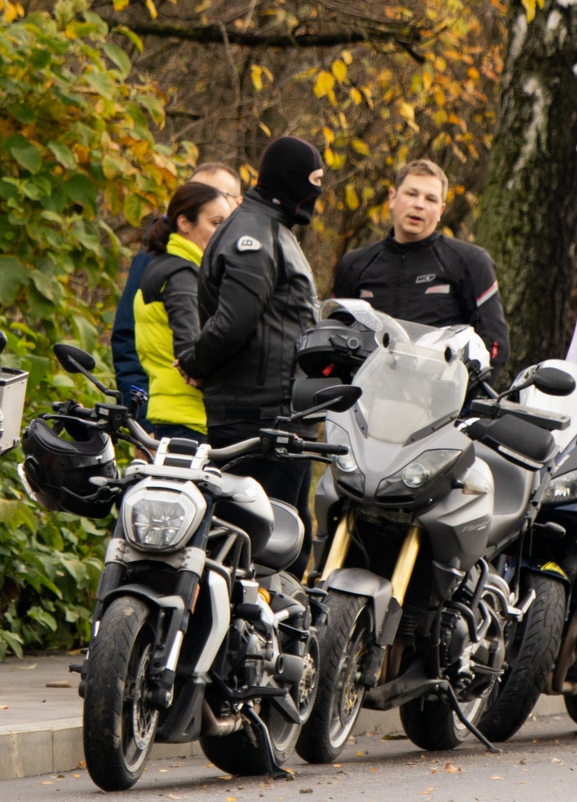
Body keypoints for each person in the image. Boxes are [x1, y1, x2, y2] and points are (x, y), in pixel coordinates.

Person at [189, 137, 325, 552]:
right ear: (291, 181)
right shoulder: (254, 235)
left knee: (287, 539)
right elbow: (234, 322)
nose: (318, 193)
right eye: (314, 182)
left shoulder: (271, 228)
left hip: (280, 418)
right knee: (258, 547)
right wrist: (196, 362)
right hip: (261, 421)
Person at [330, 159, 509, 366]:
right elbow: (336, 336)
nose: (419, 205)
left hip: (440, 391)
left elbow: (495, 345)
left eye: (431, 199)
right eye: (411, 194)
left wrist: (465, 394)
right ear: (392, 198)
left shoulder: (470, 261)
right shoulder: (354, 264)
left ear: (441, 211)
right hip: (368, 392)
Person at [110, 162, 241, 408]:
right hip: (172, 415)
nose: (207, 200)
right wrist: (139, 414)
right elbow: (129, 340)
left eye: (220, 195)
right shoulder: (156, 261)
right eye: (198, 192)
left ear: (237, 202)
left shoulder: (245, 262)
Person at [131, 180, 232, 439]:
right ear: (184, 223)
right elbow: (190, 350)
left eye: (228, 224)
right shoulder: (183, 275)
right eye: (216, 223)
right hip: (188, 419)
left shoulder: (165, 266)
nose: (224, 233)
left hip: (172, 413)